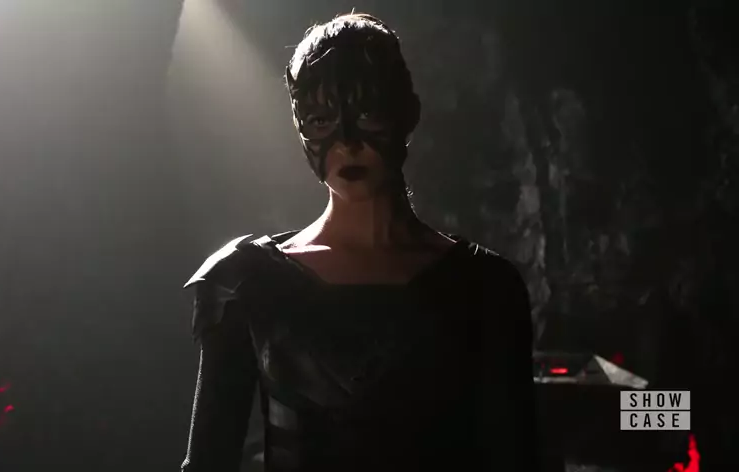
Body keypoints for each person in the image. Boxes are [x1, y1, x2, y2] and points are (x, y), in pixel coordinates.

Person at [181, 12, 538, 472]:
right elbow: (208, 462)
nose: (346, 142)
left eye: (366, 113)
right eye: (321, 120)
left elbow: (516, 456)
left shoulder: (486, 287)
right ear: (299, 126)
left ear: (407, 114)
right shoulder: (245, 281)